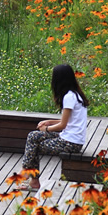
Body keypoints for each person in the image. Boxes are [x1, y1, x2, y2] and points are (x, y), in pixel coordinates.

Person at [18, 64, 90, 192]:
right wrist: (49, 122)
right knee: (33, 136)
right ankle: (29, 174)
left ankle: (30, 174)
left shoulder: (69, 97)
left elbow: (62, 125)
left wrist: (46, 129)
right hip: (69, 138)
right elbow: (67, 121)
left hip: (71, 143)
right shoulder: (76, 94)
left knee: (34, 146)